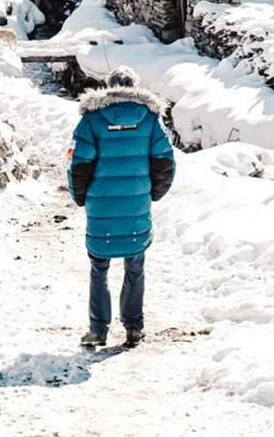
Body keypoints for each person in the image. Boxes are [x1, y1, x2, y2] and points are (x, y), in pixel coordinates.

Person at [67, 67, 175, 348]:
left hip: (101, 205)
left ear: (108, 86)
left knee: (98, 268)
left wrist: (80, 197)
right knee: (135, 267)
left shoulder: (91, 120)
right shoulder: (150, 119)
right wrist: (153, 193)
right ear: (135, 86)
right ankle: (134, 327)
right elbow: (164, 161)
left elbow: (79, 163)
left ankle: (98, 329)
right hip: (136, 204)